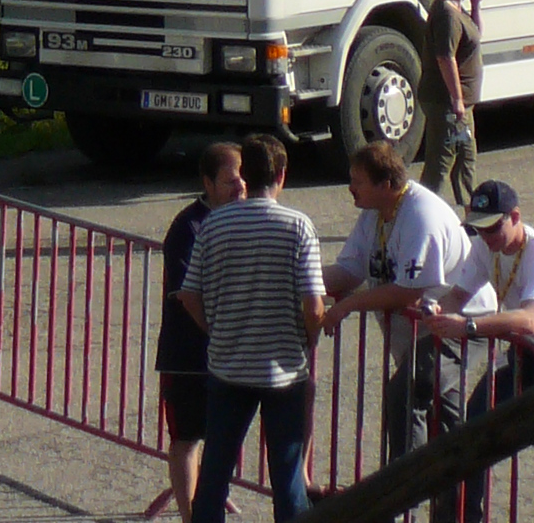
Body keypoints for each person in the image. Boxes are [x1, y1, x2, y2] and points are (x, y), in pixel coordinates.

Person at [177, 131, 327, 523]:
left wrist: (216, 330)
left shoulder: (214, 224)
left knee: (214, 474)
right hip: (283, 371)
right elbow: (313, 304)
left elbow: (189, 294)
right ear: (281, 174)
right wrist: (309, 337)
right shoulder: (298, 226)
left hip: (228, 367)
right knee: (287, 475)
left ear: (246, 174)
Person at [418, 180, 534, 523]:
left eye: (493, 227)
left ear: (515, 217)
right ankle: (466, 517)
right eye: (478, 229)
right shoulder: (485, 247)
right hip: (527, 356)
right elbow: (458, 296)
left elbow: (530, 319)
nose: (486, 236)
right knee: (477, 425)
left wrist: (468, 326)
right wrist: (436, 309)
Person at [322, 141, 469, 458]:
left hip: (454, 324)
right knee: (445, 419)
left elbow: (408, 291)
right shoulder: (373, 213)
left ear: (386, 184)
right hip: (420, 332)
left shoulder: (420, 216)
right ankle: (453, 486)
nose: (350, 188)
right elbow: (350, 270)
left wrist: (346, 305)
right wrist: (303, 281)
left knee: (405, 395)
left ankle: (406, 485)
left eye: (358, 181)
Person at [159, 140, 246, 522]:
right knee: (187, 439)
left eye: (243, 178)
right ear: (208, 184)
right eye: (230, 180)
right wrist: (217, 331)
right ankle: (189, 516)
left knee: (223, 438)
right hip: (189, 357)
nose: (240, 187)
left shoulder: (243, 221)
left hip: (228, 355)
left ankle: (212, 498)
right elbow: (187, 295)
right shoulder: (187, 228)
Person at [420, 0, 482, 207]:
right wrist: (457, 100)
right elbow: (446, 58)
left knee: (466, 159)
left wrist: (476, 6)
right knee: (440, 162)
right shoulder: (447, 14)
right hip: (447, 104)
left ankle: (473, 212)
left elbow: (475, 35)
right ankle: (422, 211)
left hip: (461, 104)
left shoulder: (457, 9)